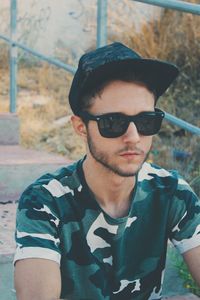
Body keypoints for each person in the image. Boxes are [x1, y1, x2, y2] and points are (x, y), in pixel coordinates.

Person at [14, 42, 200, 300]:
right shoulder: (45, 201)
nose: (134, 137)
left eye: (146, 121)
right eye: (114, 122)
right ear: (81, 127)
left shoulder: (171, 192)